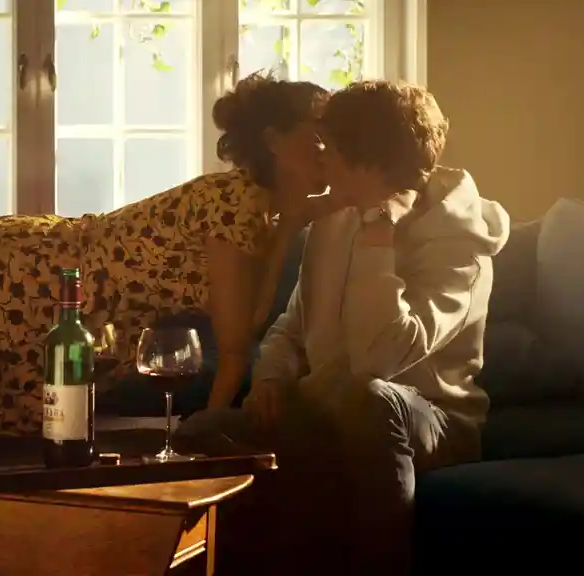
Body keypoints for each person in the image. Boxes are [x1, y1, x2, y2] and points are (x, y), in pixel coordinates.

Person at [175, 80, 511, 574]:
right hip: (328, 409)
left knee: (367, 399)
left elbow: (379, 360)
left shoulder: (458, 246)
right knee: (199, 434)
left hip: (429, 421)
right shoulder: (334, 221)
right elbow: (292, 323)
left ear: (366, 163)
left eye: (329, 150)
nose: (321, 161)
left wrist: (378, 235)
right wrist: (271, 377)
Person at [0, 72, 337, 440]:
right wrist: (200, 443)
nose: (329, 150)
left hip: (41, 278)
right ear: (274, 140)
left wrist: (291, 226)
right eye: (319, 136)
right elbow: (236, 348)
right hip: (19, 271)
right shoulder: (234, 202)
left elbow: (248, 321)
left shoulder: (258, 210)